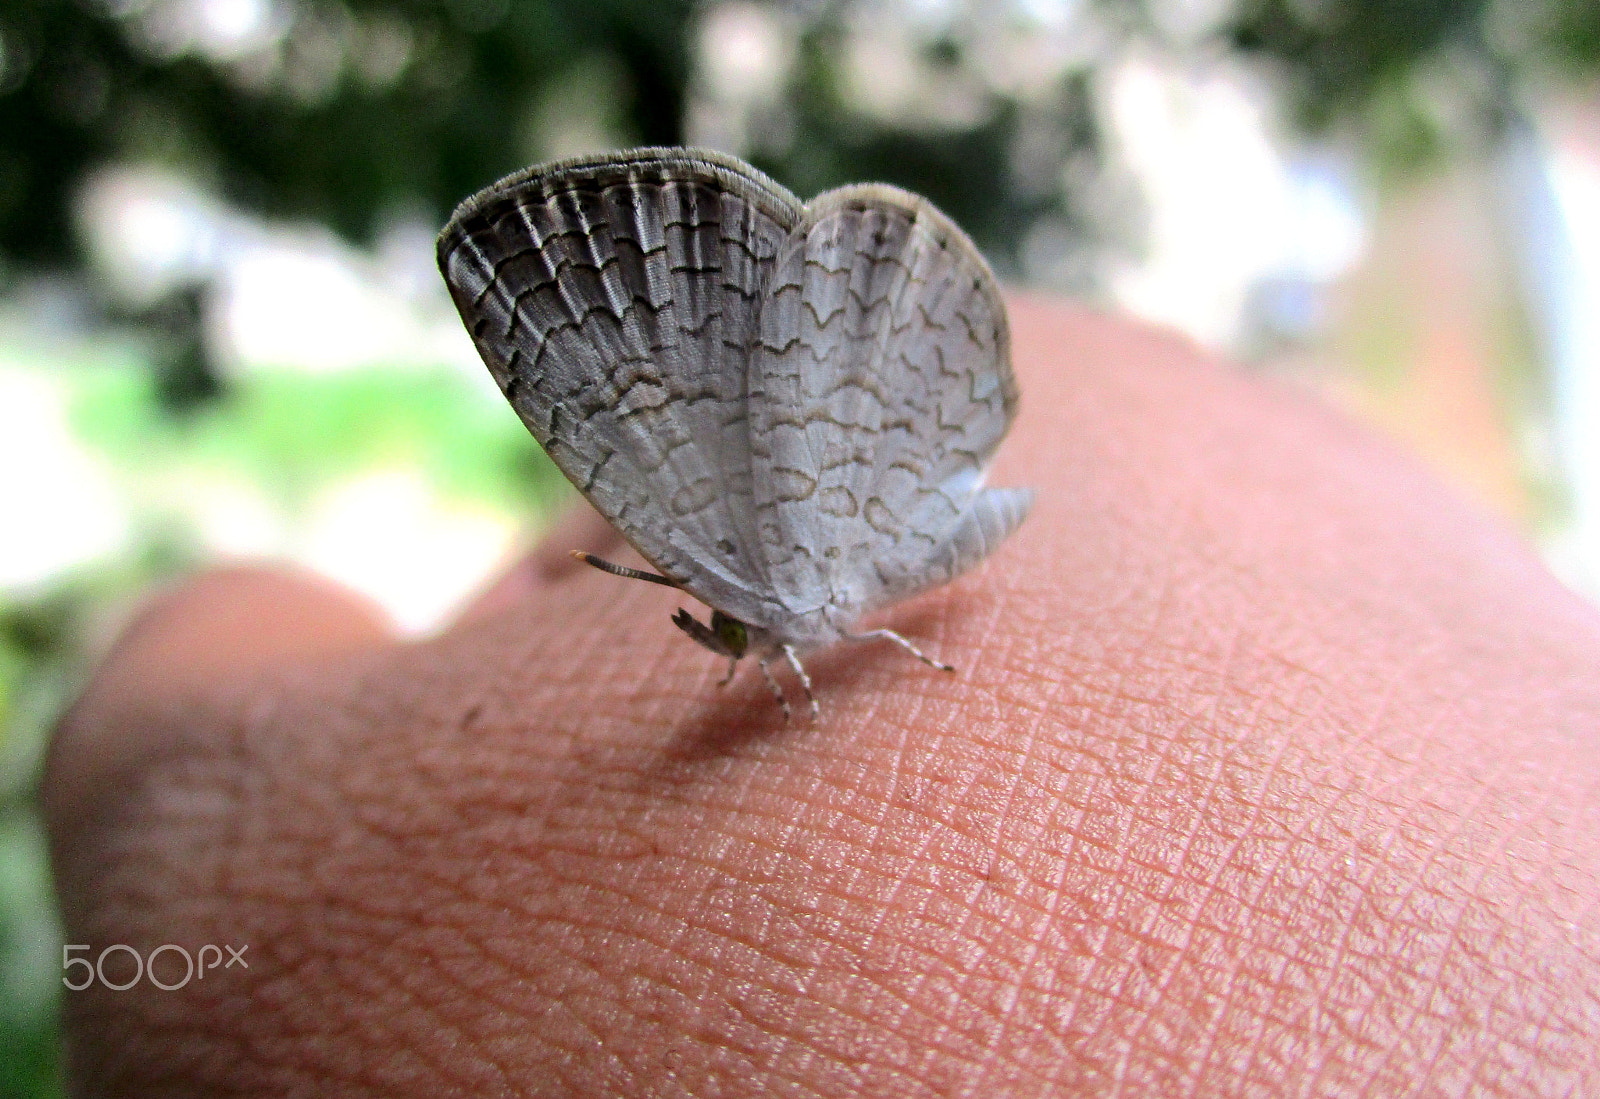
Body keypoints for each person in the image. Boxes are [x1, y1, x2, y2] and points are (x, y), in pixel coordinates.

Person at [44, 299, 1600, 1094]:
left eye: (709, 623)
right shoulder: (746, 604)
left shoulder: (770, 585)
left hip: (910, 515)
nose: (700, 636)